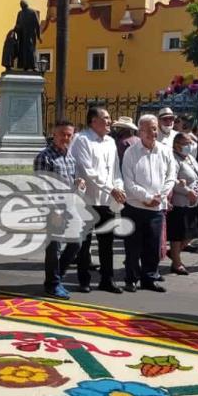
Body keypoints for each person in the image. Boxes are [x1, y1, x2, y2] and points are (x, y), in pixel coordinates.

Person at [72, 106, 126, 294]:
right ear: (93, 121)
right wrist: (112, 189)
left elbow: (115, 170)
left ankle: (107, 280)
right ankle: (84, 280)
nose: (109, 121)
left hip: (106, 199)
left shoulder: (111, 142)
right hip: (87, 199)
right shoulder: (82, 140)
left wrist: (118, 187)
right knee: (85, 243)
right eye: (105, 118)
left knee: (106, 243)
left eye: (109, 117)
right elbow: (89, 172)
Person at [121, 115, 177, 292]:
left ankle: (149, 278)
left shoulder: (165, 151)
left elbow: (171, 176)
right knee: (133, 246)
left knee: (152, 246)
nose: (152, 133)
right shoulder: (131, 152)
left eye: (154, 129)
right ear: (140, 131)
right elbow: (128, 183)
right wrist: (146, 197)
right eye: (147, 129)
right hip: (135, 207)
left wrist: (161, 196)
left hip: (157, 208)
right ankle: (131, 279)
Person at [34, 121, 85, 299]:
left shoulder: (70, 157)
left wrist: (77, 184)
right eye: (62, 134)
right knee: (54, 248)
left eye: (69, 135)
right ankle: (53, 284)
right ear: (53, 134)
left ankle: (57, 276)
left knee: (76, 243)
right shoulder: (44, 157)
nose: (66, 138)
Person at [167, 133, 198, 275]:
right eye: (186, 142)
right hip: (180, 202)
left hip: (195, 202)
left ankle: (173, 253)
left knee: (194, 231)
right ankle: (176, 262)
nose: (190, 145)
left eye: (191, 142)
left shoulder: (190, 158)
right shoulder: (173, 158)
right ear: (177, 144)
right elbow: (171, 179)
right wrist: (187, 191)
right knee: (178, 234)